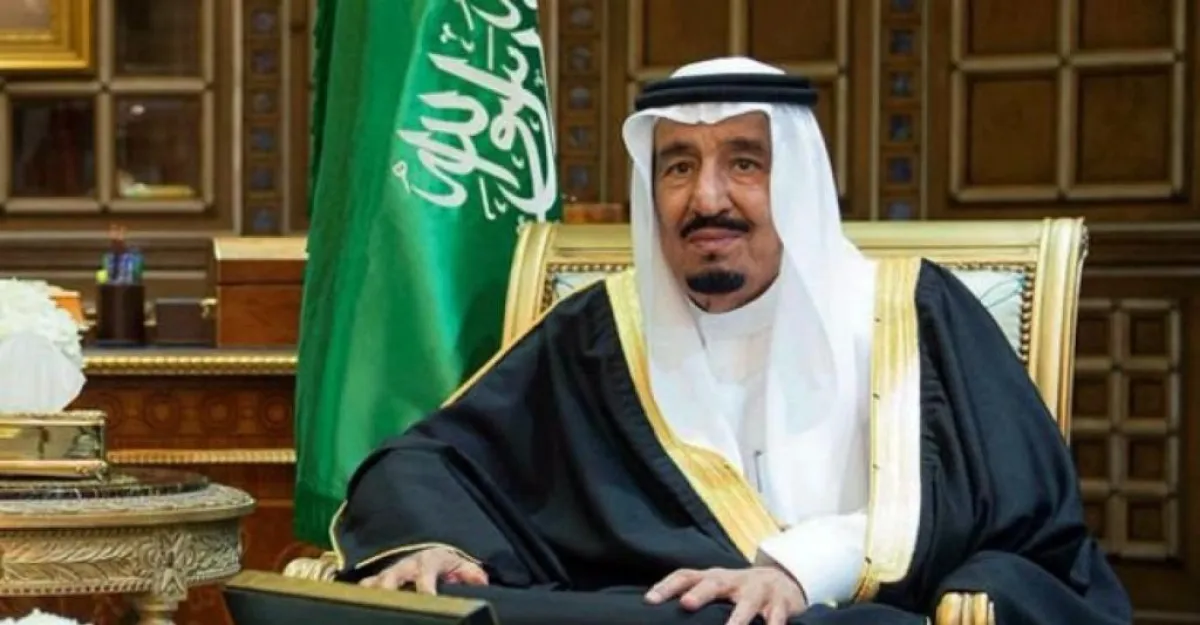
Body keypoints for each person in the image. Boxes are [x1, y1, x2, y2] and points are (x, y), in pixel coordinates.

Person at [328, 57, 1132, 625]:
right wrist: (435, 542)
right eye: (678, 167)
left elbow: (1015, 515)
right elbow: (437, 457)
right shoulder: (600, 332)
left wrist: (795, 570)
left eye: (744, 163)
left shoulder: (914, 313)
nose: (706, 198)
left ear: (798, 182)